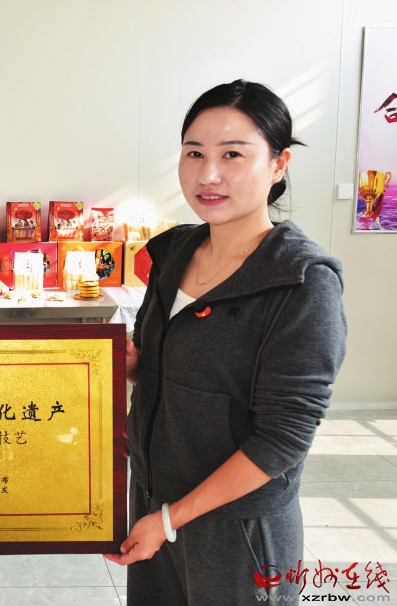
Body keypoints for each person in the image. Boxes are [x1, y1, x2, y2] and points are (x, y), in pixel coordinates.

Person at [105, 80, 347, 604]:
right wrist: (126, 364)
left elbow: (283, 437)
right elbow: (160, 365)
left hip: (236, 529)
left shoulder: (301, 281)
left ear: (279, 164)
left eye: (232, 154)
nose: (207, 175)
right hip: (151, 499)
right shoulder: (173, 253)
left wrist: (170, 520)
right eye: (194, 153)